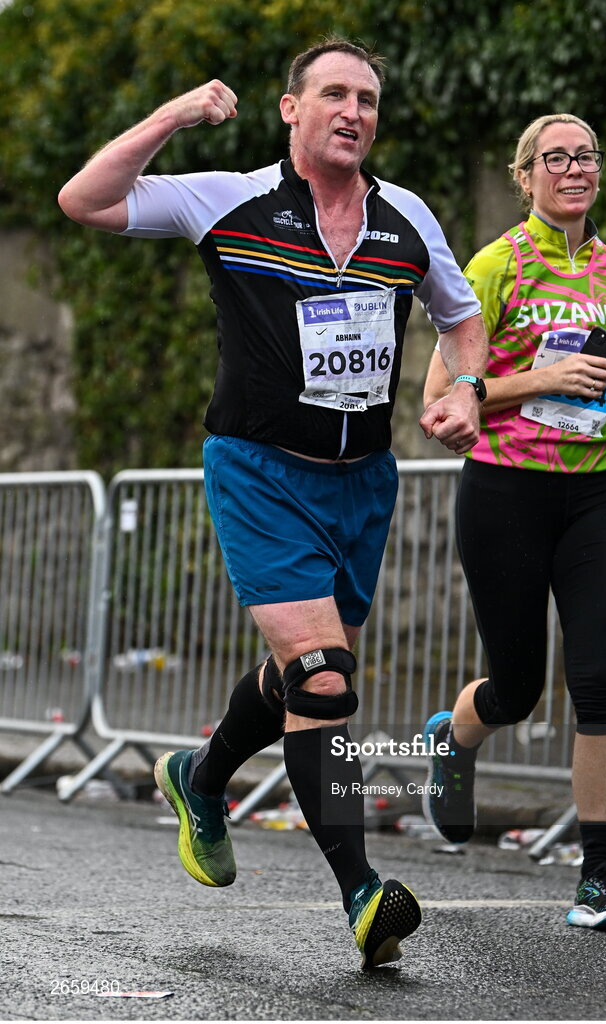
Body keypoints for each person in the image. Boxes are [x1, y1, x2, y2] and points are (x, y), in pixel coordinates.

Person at [58, 39, 488, 969]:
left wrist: (468, 388)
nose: (353, 111)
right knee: (327, 678)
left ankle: (200, 774)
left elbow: (458, 316)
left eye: (368, 98)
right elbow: (84, 200)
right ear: (290, 110)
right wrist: (174, 114)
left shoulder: (405, 218)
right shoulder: (230, 197)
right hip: (258, 472)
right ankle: (362, 892)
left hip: (362, 483)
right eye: (333, 93)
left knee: (301, 679)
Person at [420, 113, 606, 932]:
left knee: (598, 678)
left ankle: (597, 880)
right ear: (524, 174)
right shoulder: (494, 267)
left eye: (586, 155)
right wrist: (539, 378)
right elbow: (439, 398)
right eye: (555, 157)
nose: (574, 168)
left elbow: (582, 377)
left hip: (596, 489)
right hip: (504, 490)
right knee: (519, 687)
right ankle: (453, 739)